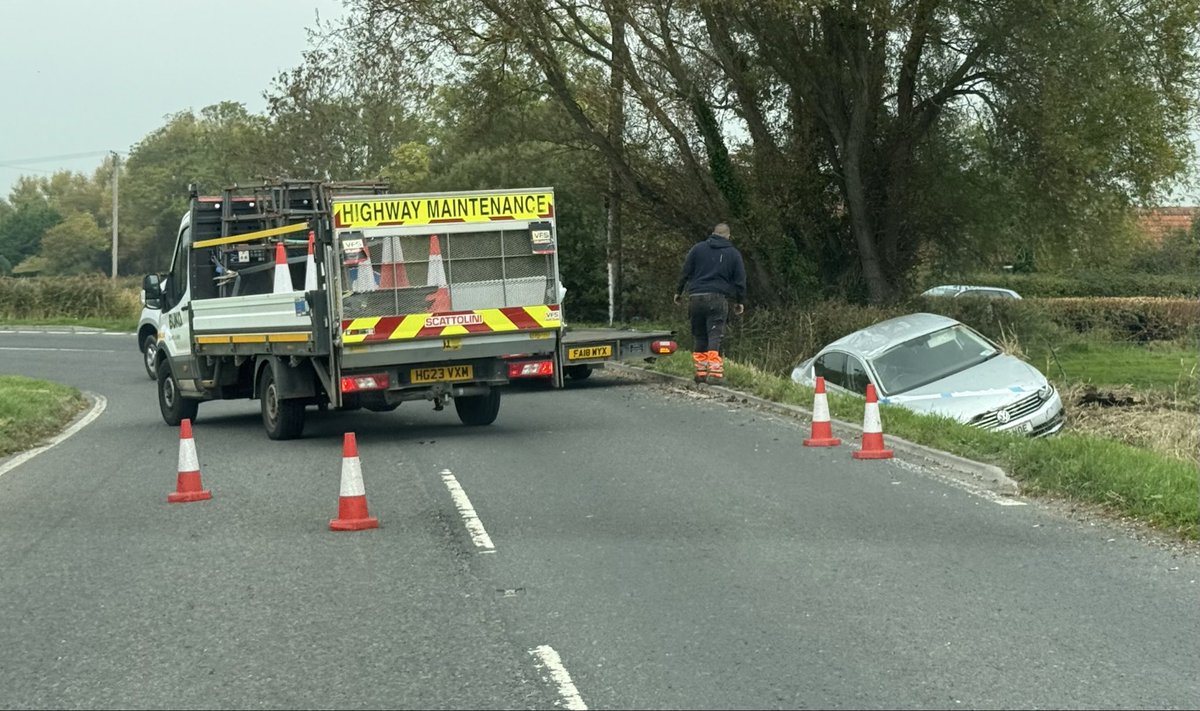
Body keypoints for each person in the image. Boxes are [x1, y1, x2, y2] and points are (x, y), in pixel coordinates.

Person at [673, 222, 746, 384]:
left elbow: (685, 271)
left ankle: (700, 373)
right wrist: (740, 301)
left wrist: (678, 292)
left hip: (696, 297)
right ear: (728, 236)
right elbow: (740, 280)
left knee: (699, 335)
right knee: (715, 335)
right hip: (717, 298)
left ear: (713, 233)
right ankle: (714, 373)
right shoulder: (733, 254)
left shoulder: (697, 249)